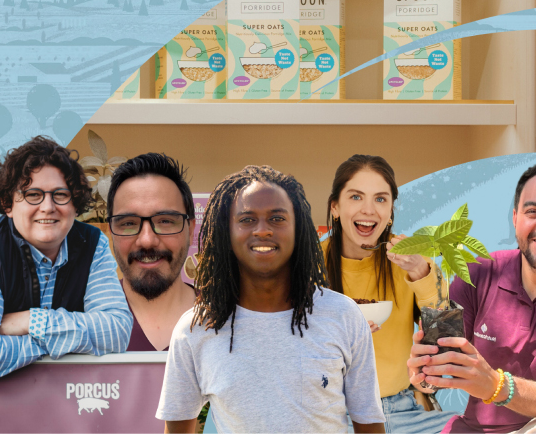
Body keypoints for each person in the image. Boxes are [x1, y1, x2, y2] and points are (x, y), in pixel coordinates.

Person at [156, 165, 386, 433]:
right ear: (226, 232)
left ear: (298, 229)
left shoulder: (343, 315)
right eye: (246, 219)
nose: (262, 230)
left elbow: (369, 425)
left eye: (277, 219)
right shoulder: (195, 329)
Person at [0, 136, 132, 433]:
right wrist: (64, 340)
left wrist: (29, 322)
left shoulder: (93, 243)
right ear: (8, 204)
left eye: (60, 194)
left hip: (47, 408)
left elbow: (116, 332)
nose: (48, 207)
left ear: (75, 203)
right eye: (33, 194)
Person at [408, 160, 536, 434]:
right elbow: (436, 374)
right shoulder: (478, 273)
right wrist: (423, 376)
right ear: (515, 218)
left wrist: (497, 386)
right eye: (533, 211)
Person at [324, 155, 457, 433]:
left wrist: (422, 273)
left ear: (391, 209)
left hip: (403, 411)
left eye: (381, 199)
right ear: (335, 207)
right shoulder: (308, 264)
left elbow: (448, 342)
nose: (369, 210)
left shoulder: (407, 260)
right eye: (356, 197)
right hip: (332, 415)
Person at [107, 153, 197, 351]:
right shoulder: (83, 320)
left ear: (190, 231)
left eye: (165, 221)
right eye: (128, 223)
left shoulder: (228, 321)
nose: (147, 240)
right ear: (110, 233)